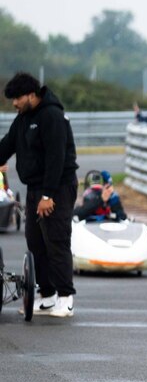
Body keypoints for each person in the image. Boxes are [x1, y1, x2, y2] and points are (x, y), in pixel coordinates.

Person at [0, 72, 78, 318]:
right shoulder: (23, 118)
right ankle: (47, 295)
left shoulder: (52, 116)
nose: (14, 103)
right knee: (36, 243)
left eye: (16, 98)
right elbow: (6, 146)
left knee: (56, 241)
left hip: (57, 188)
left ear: (31, 95)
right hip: (34, 188)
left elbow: (57, 158)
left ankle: (65, 298)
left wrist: (48, 195)